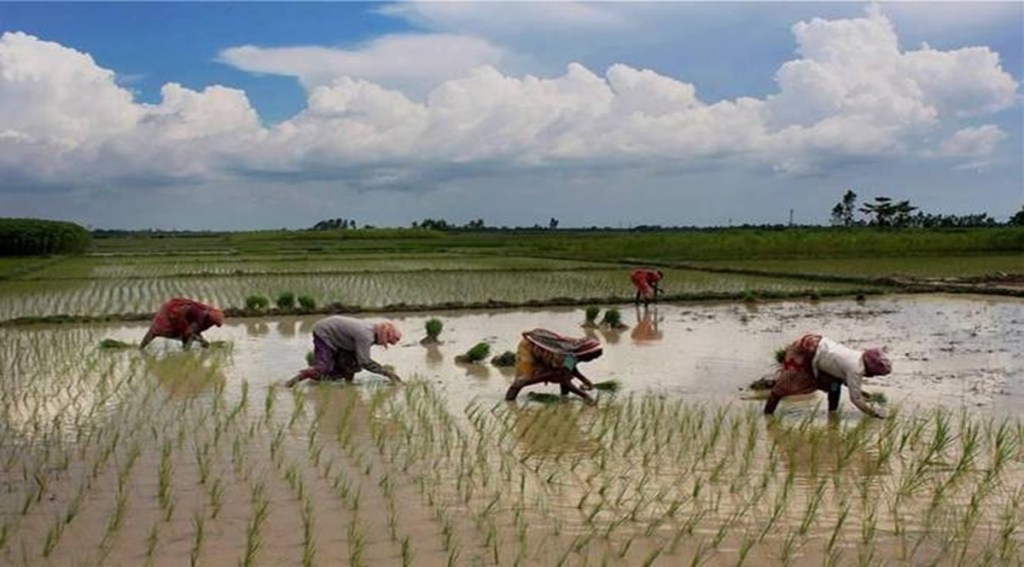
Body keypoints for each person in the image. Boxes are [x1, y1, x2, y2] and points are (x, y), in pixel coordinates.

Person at [763, 334, 892, 418]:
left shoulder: (858, 356)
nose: (873, 377)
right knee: (787, 384)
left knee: (834, 385)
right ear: (870, 369)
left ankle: (832, 415)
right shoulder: (856, 369)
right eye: (874, 374)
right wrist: (874, 413)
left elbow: (846, 379)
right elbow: (855, 399)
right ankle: (767, 415)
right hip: (806, 351)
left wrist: (863, 392)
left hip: (819, 344)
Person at [286, 316, 403, 387]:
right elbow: (365, 361)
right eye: (386, 342)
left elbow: (357, 357)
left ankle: (349, 386)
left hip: (342, 337)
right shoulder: (366, 336)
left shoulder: (372, 331)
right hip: (325, 331)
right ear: (382, 337)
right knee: (323, 368)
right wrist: (388, 373)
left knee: (351, 365)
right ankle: (294, 381)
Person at [504, 328, 602, 403]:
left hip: (552, 359)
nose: (592, 360)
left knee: (564, 374)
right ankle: (509, 401)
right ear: (586, 353)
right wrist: (585, 396)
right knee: (524, 378)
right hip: (528, 347)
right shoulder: (568, 356)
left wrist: (584, 380)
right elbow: (565, 379)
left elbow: (570, 369)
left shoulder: (574, 353)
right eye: (592, 357)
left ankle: (564, 398)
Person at [140, 297, 224, 350]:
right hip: (172, 314)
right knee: (156, 330)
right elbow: (190, 332)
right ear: (210, 319)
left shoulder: (203, 316)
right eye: (214, 323)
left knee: (153, 331)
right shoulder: (200, 315)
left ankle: (140, 348)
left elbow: (194, 330)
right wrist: (202, 341)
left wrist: (202, 341)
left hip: (176, 313)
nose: (213, 325)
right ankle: (186, 353)